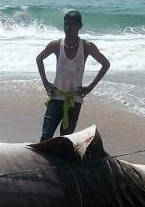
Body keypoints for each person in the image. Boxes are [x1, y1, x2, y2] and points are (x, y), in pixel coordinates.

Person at [36, 10, 110, 141]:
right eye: (66, 24)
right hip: (56, 96)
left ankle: (60, 162)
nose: (68, 28)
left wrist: (89, 88)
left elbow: (105, 64)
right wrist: (46, 84)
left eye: (72, 25)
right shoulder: (56, 45)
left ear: (80, 26)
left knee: (65, 139)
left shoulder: (87, 47)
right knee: (46, 136)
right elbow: (39, 59)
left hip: (74, 100)